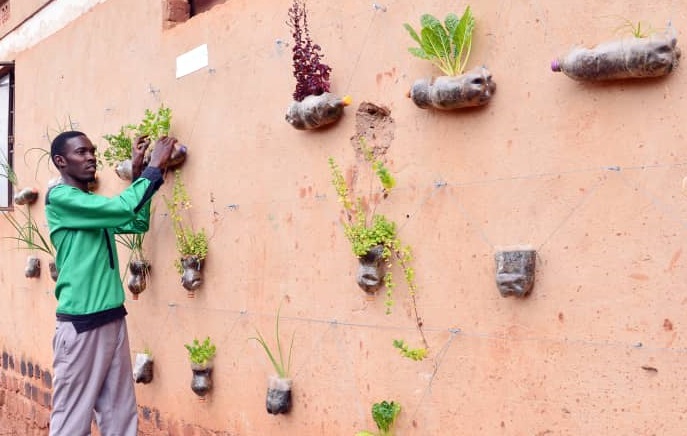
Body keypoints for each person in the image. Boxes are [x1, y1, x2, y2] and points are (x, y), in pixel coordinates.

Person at [45, 131, 176, 435]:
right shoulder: (61, 198)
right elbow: (120, 209)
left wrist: (141, 174)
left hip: (113, 319)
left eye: (92, 151)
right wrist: (154, 168)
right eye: (81, 152)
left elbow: (136, 221)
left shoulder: (89, 204)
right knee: (71, 421)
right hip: (81, 325)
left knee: (119, 414)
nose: (91, 157)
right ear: (60, 161)